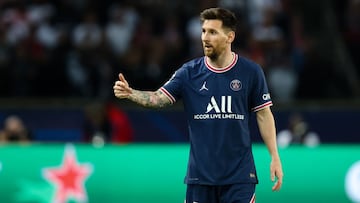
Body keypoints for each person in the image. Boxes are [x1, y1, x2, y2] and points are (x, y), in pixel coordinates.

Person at [113, 7, 283, 203]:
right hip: (200, 178)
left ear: (230, 37)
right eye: (203, 31)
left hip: (240, 179)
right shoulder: (188, 73)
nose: (205, 38)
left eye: (212, 32)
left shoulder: (251, 72)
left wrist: (275, 156)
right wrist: (131, 93)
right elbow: (159, 98)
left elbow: (264, 114)